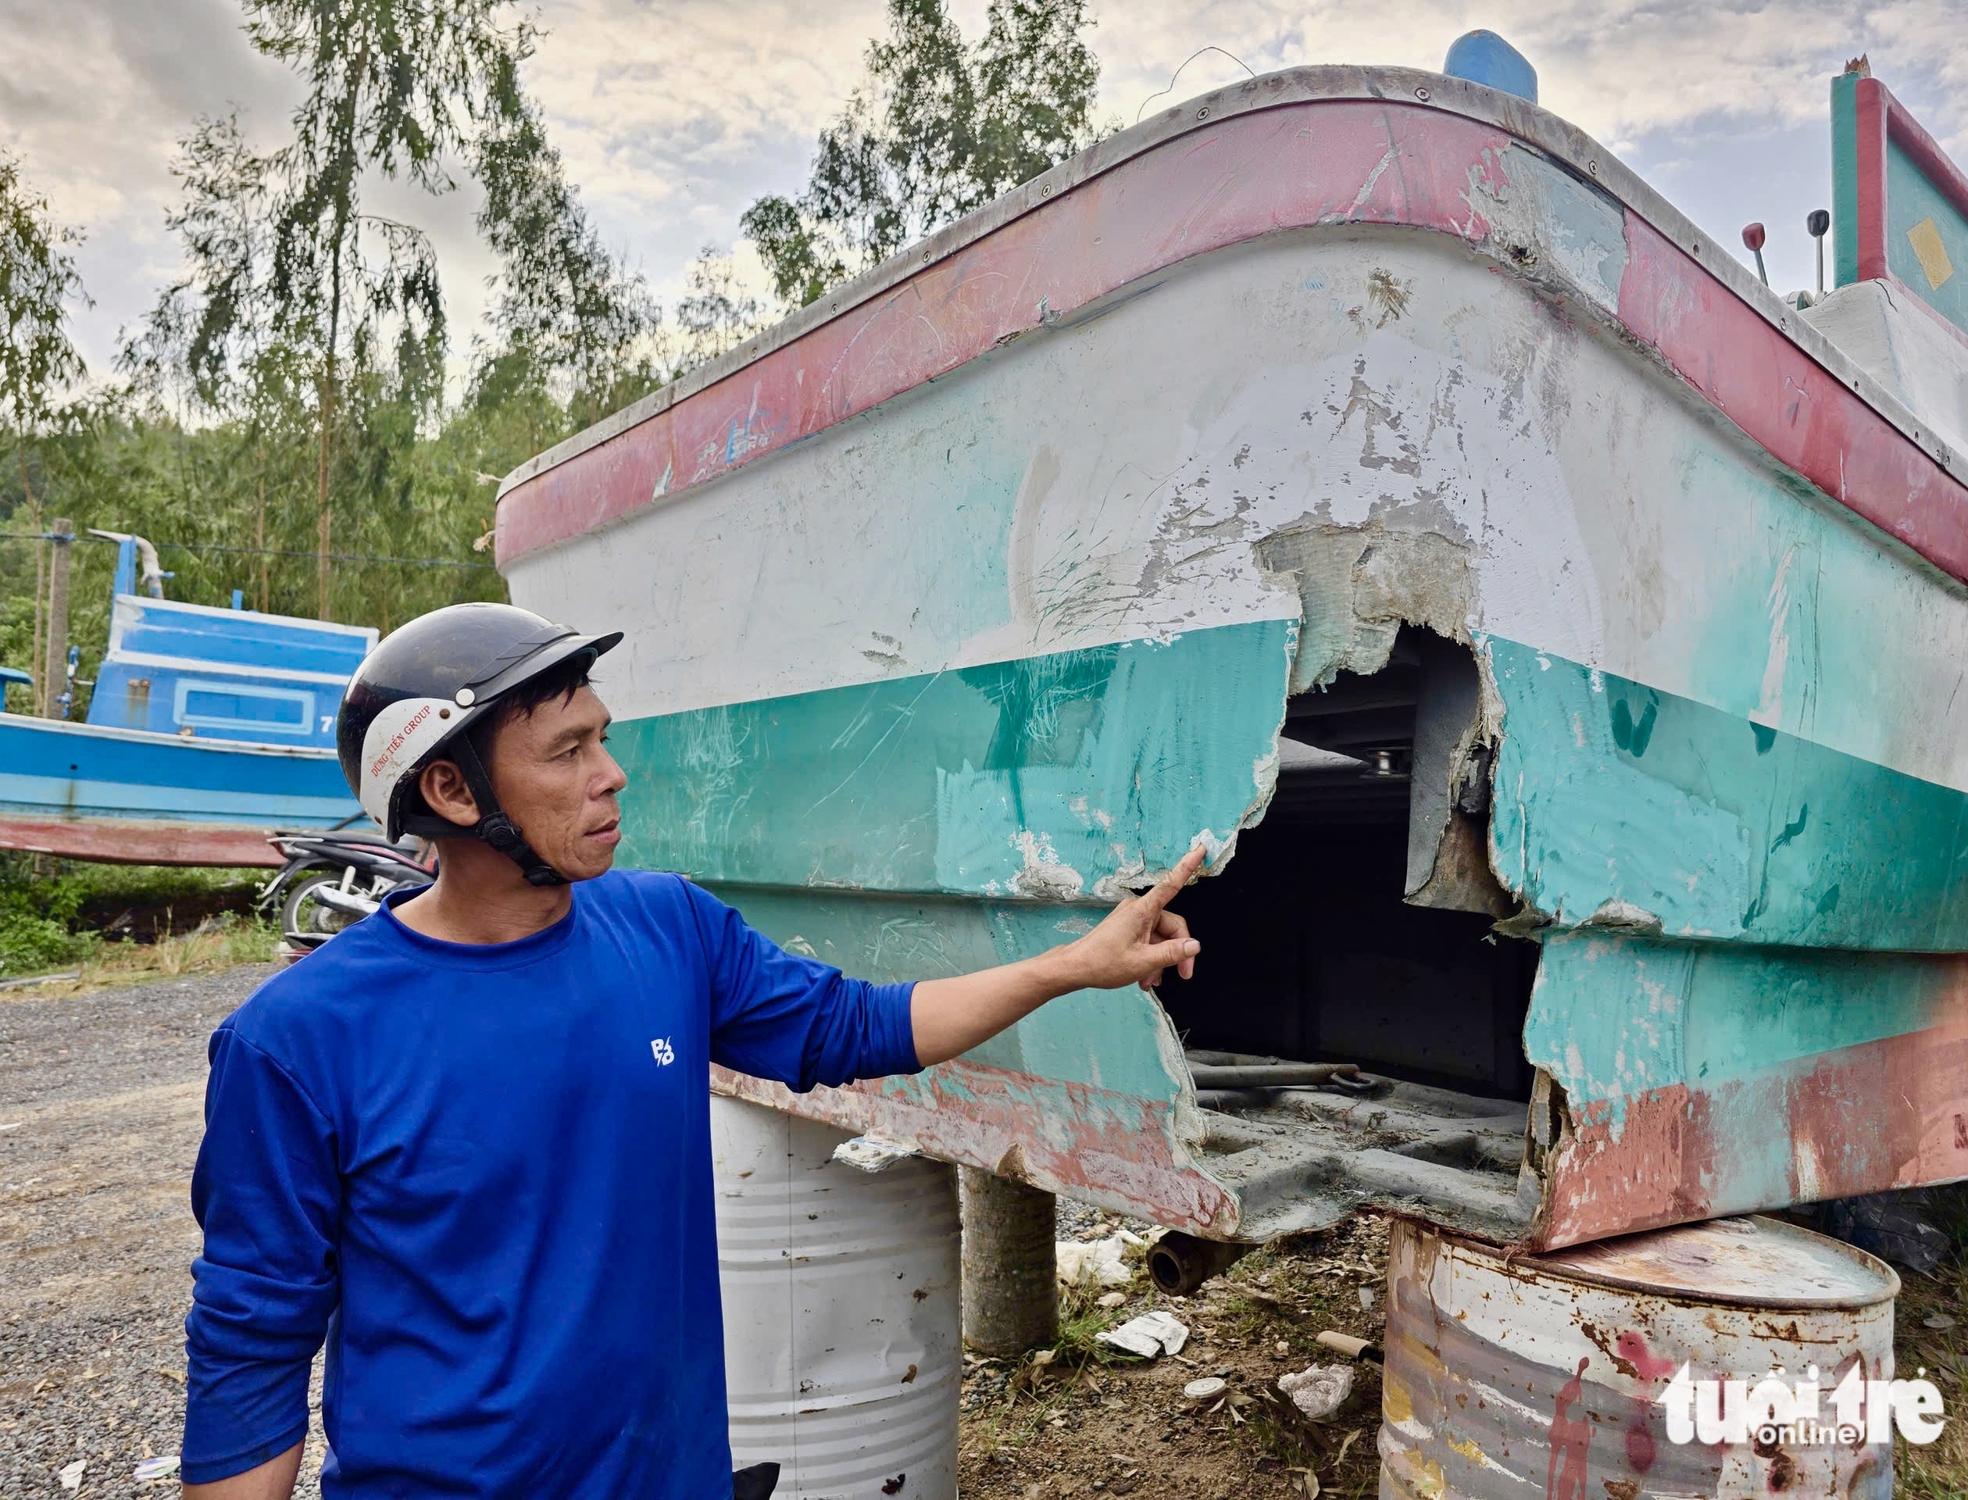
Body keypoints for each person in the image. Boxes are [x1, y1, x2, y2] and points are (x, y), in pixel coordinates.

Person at [181, 602, 1204, 1499]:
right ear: (450, 791)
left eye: (603, 739)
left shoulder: (665, 930)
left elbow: (854, 1026)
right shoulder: (299, 1041)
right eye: (566, 751)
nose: (610, 775)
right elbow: (251, 1350)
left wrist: (1071, 965)